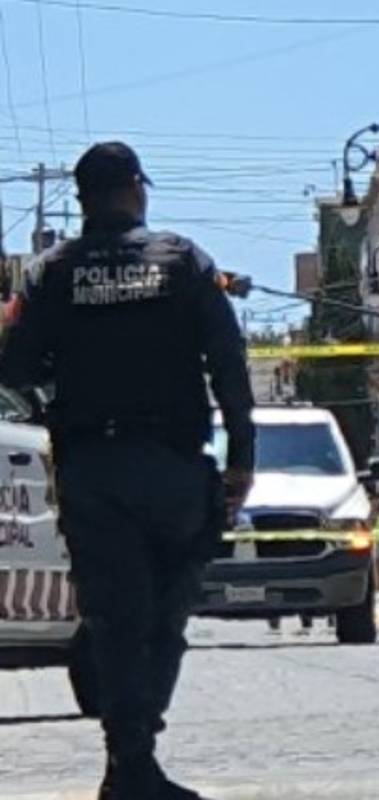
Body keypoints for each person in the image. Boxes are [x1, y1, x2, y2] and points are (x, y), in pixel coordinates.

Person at [0, 142, 255, 799]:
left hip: (92, 469)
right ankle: (134, 761)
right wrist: (243, 461)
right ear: (137, 190)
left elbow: (16, 369)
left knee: (115, 620)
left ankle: (128, 761)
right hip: (172, 467)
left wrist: (58, 396)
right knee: (165, 620)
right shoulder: (184, 261)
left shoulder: (51, 273)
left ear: (82, 200)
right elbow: (229, 365)